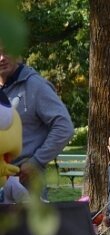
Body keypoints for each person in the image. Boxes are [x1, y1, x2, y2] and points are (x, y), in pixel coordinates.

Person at [0, 48, 74, 201]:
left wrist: (36, 161)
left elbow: (64, 127)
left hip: (26, 182)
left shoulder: (35, 85)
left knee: (26, 226)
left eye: (7, 51)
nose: (2, 58)